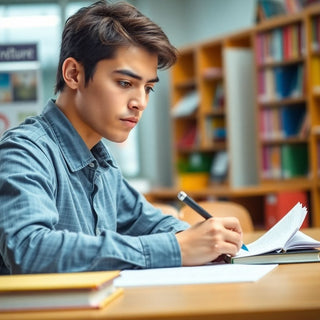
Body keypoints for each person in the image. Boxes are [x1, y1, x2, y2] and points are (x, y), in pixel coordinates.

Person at [0, 0, 243, 275]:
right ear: (73, 74)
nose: (140, 102)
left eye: (148, 88)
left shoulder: (100, 162)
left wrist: (203, 239)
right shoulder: (23, 151)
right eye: (125, 83)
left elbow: (150, 223)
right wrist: (178, 248)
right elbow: (29, 249)